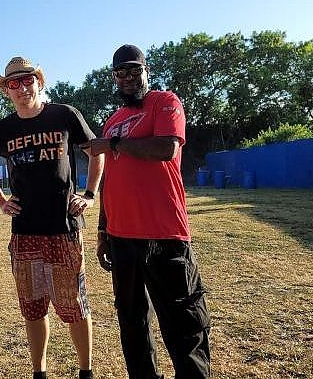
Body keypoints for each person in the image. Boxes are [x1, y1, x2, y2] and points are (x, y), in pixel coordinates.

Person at [80, 45, 211, 379]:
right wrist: (103, 232)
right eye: (120, 73)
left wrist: (112, 145)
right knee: (133, 325)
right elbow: (110, 179)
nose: (127, 78)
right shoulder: (112, 121)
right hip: (122, 239)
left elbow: (167, 148)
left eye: (133, 71)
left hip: (164, 235)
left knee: (184, 325)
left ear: (146, 71)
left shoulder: (165, 102)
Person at [0, 57, 104, 379]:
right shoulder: (3, 129)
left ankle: (85, 371)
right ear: (6, 90)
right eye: (13, 83)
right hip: (25, 232)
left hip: (64, 229)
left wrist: (89, 195)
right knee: (33, 307)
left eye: (27, 80)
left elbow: (96, 152)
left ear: (39, 81)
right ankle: (39, 371)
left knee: (74, 305)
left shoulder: (64, 115)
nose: (22, 88)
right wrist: (1, 201)